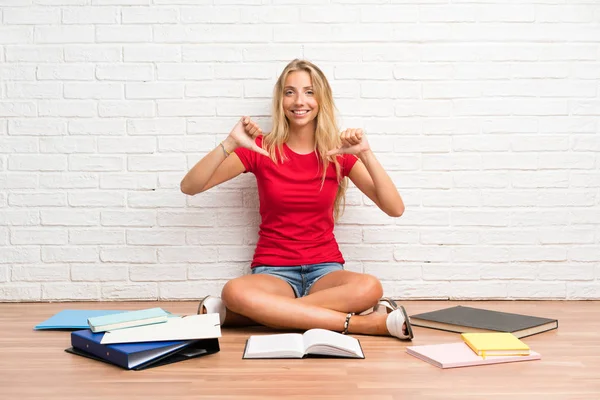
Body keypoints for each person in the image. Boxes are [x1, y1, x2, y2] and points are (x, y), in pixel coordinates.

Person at [180, 59, 413, 340]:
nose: (299, 101)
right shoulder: (260, 149)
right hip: (273, 271)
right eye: (290, 92)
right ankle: (368, 325)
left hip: (326, 271)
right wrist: (230, 143)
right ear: (280, 100)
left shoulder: (338, 152)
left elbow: (395, 208)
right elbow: (190, 186)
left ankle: (252, 315)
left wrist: (365, 153)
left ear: (321, 99)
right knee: (234, 292)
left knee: (370, 288)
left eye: (309, 92)